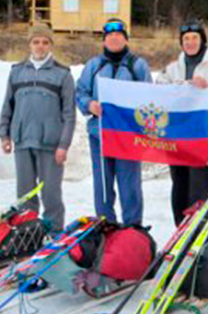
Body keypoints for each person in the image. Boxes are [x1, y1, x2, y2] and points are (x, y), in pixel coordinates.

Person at [0, 24, 76, 233]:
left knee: (51, 193)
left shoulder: (63, 75)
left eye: (45, 42)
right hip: (23, 140)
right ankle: (27, 232)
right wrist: (4, 135)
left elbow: (69, 115)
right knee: (25, 193)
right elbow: (8, 105)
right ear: (29, 44)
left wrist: (63, 145)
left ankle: (54, 233)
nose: (40, 46)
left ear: (50, 45)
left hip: (50, 144)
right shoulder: (17, 72)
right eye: (36, 42)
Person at [156, 20, 208, 226]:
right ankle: (181, 235)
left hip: (201, 143)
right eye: (186, 39)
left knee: (199, 195)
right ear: (181, 43)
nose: (190, 42)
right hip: (176, 142)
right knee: (179, 192)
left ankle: (201, 239)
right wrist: (188, 85)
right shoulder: (172, 69)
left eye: (195, 38)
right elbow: (159, 91)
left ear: (202, 41)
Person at [75, 18, 152, 226]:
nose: (114, 38)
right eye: (109, 35)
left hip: (128, 137)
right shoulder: (94, 65)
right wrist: (89, 104)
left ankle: (133, 228)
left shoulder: (138, 66)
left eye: (118, 35)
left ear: (125, 39)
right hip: (99, 135)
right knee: (102, 186)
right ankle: (105, 225)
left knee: (130, 186)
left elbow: (149, 98)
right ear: (104, 40)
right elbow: (80, 92)